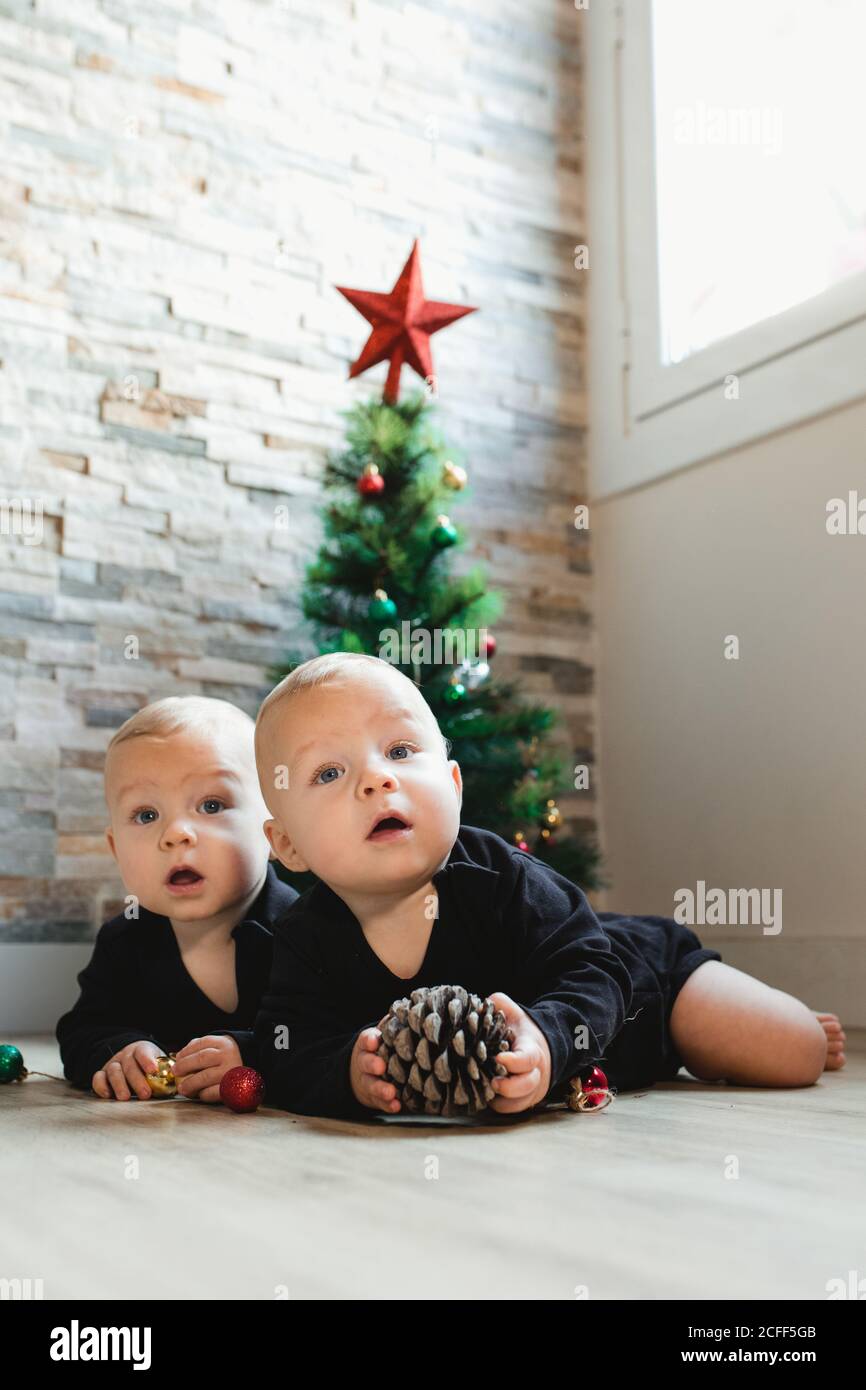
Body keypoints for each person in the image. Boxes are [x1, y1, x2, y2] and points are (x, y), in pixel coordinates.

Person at [251, 652, 845, 1121]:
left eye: (401, 751)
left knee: (793, 1053)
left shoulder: (500, 877)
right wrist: (344, 1075)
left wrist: (550, 1040)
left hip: (647, 989)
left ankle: (782, 1012)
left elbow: (594, 971)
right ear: (287, 846)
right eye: (329, 772)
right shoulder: (305, 937)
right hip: (602, 1025)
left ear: (453, 785)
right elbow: (288, 1046)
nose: (377, 779)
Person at [56, 696, 299, 1101]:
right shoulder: (125, 940)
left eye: (211, 805)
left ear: (273, 832)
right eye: (147, 815)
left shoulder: (304, 931)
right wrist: (119, 1051)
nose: (176, 834)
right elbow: (82, 1030)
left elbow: (326, 1034)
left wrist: (253, 1053)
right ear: (116, 850)